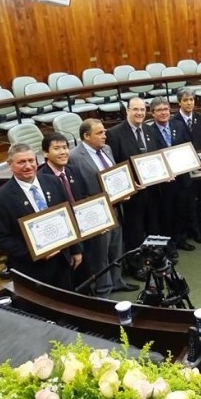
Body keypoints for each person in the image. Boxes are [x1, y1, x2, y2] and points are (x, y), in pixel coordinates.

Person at [0, 143, 82, 290]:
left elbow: (68, 216)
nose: (28, 166)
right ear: (10, 165)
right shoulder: (0, 198)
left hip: (62, 260)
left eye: (31, 161)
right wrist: (36, 253)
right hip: (32, 268)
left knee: (66, 303)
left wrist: (76, 249)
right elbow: (2, 239)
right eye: (21, 162)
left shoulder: (53, 182)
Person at [69, 118, 139, 297]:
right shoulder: (75, 157)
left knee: (116, 248)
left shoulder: (107, 149)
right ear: (86, 136)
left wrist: (127, 187)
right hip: (96, 211)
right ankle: (103, 290)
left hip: (116, 207)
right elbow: (76, 188)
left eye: (104, 132)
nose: (104, 136)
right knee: (100, 254)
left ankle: (117, 281)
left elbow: (114, 175)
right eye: (99, 133)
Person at [106, 97, 161, 281]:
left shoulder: (149, 129)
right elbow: (113, 166)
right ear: (127, 111)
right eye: (135, 109)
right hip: (131, 192)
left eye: (142, 110)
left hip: (152, 188)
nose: (139, 113)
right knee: (134, 230)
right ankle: (135, 265)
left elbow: (155, 156)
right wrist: (128, 183)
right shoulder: (115, 134)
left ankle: (152, 259)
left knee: (152, 224)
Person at [39, 132, 90, 291]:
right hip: (63, 238)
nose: (63, 152)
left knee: (86, 273)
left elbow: (82, 198)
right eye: (57, 148)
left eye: (65, 147)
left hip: (83, 230)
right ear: (45, 153)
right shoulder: (41, 179)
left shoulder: (73, 170)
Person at [150, 96, 196, 254]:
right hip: (164, 181)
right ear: (153, 113)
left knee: (181, 210)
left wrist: (196, 161)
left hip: (182, 177)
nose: (163, 113)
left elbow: (188, 146)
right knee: (167, 213)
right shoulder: (149, 131)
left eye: (166, 109)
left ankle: (181, 239)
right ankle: (169, 245)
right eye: (159, 110)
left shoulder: (178, 125)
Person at [172, 89, 201, 243]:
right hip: (185, 169)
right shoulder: (173, 121)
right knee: (189, 201)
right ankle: (195, 232)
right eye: (186, 100)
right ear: (179, 102)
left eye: (191, 99)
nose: (189, 103)